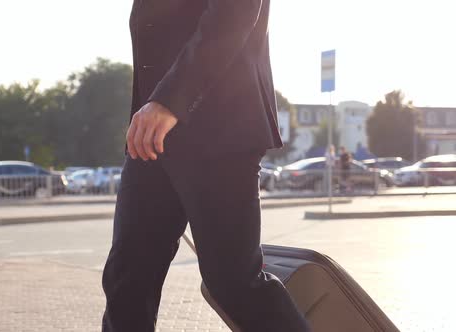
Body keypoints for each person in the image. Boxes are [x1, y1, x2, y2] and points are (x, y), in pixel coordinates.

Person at [102, 1, 310, 331]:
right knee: (127, 277)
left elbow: (234, 13)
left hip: (219, 123)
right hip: (152, 132)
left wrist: (170, 100)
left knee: (234, 283)